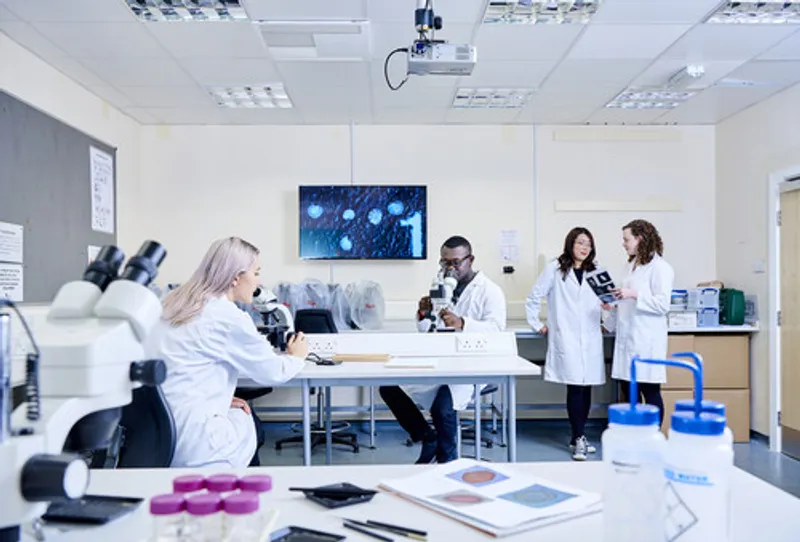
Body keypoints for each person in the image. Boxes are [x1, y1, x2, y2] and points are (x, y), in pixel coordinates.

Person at [146, 237, 309, 468]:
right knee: (249, 420)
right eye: (256, 273)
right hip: (195, 442)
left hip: (154, 432)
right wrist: (296, 356)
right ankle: (244, 487)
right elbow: (273, 372)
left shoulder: (170, 303)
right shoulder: (227, 316)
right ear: (236, 277)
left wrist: (219, 398)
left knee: (242, 414)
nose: (258, 282)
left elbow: (178, 370)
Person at [379, 236, 507, 464]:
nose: (450, 268)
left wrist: (463, 323)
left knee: (442, 407)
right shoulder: (441, 286)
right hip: (441, 360)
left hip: (472, 364)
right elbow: (429, 331)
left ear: (470, 260)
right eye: (445, 262)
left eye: (456, 262)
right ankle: (427, 437)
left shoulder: (490, 291)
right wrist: (423, 315)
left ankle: (447, 460)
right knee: (388, 387)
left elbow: (497, 330)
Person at [525, 227, 605, 460]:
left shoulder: (597, 270)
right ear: (570, 244)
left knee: (587, 386)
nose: (584, 248)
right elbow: (534, 296)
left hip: (590, 336)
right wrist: (536, 324)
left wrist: (608, 323)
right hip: (566, 336)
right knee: (575, 386)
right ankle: (578, 437)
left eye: (588, 244)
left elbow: (609, 299)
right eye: (580, 242)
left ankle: (578, 436)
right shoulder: (555, 268)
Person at [604, 219, 674, 426]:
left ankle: (653, 434)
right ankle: (633, 433)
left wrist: (634, 294)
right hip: (627, 336)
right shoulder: (630, 265)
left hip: (646, 340)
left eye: (627, 239)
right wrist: (612, 304)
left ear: (640, 239)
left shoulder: (660, 268)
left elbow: (663, 304)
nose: (623, 244)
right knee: (628, 389)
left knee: (649, 390)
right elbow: (625, 299)